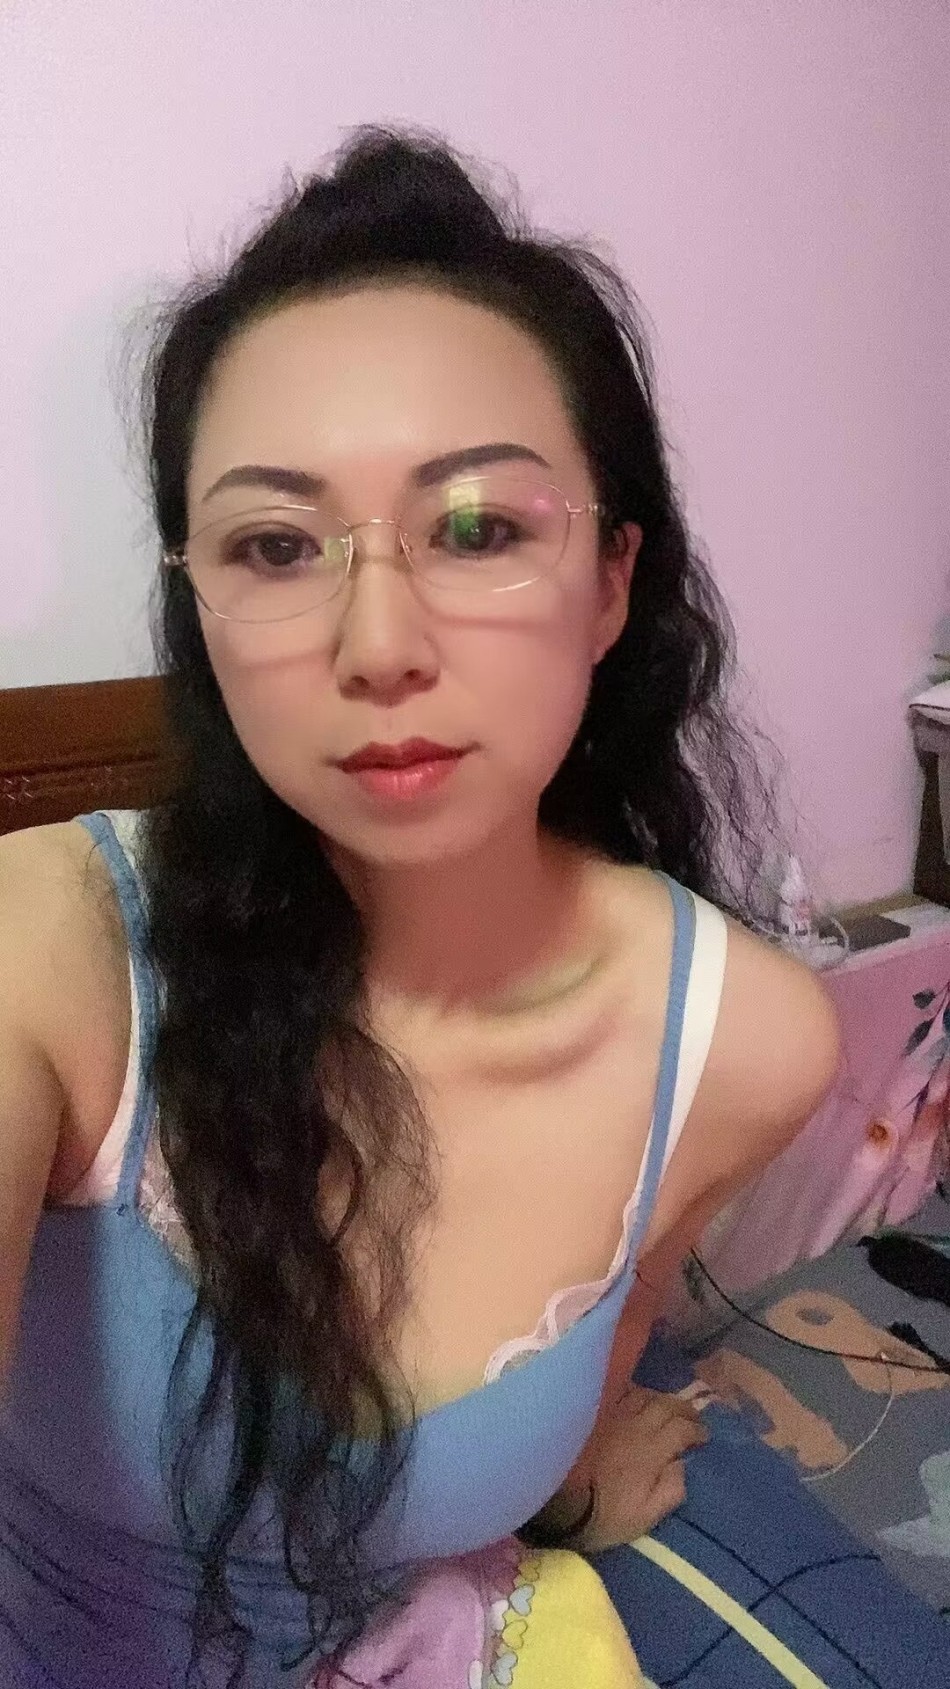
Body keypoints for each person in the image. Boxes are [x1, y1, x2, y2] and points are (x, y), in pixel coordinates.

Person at [0, 125, 839, 1687]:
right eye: (274, 544)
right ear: (201, 605)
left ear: (609, 583)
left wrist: (566, 1484)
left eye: (477, 528)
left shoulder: (741, 1041)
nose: (377, 642)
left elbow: (590, 1383)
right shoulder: (47, 954)